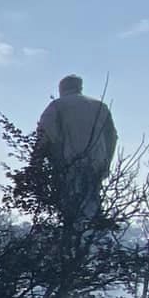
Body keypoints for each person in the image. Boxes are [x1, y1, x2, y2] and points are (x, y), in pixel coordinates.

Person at [34, 75, 119, 226]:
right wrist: (106, 163)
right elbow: (112, 137)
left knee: (72, 210)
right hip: (96, 164)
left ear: (62, 88)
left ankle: (74, 236)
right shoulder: (100, 106)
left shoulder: (57, 106)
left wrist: (35, 165)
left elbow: (44, 135)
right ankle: (90, 235)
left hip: (68, 164)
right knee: (91, 206)